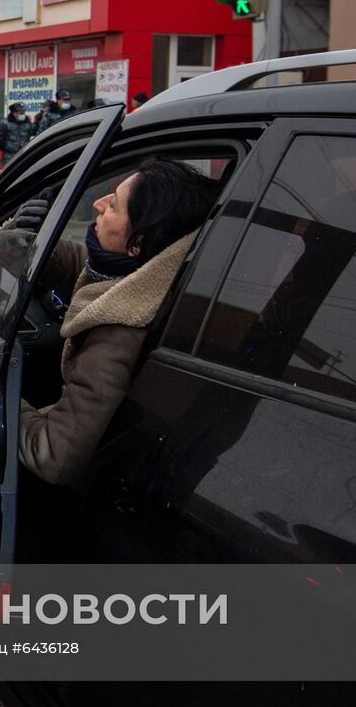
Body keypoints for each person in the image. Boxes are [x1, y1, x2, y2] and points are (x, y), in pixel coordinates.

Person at [15, 158, 220, 487]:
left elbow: (54, 455)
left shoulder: (118, 332)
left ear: (136, 244)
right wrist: (24, 237)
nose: (98, 204)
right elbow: (81, 267)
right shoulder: (147, 276)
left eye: (112, 205)